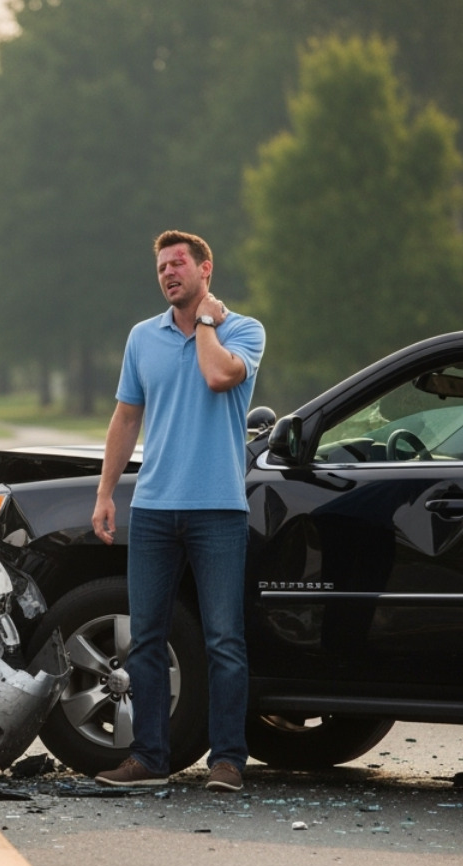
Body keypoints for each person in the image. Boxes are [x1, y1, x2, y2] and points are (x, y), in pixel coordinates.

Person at [90, 230, 265, 793]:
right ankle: (149, 758)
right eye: (162, 267)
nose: (168, 274)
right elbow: (125, 419)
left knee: (224, 640)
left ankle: (228, 761)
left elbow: (218, 376)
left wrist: (208, 324)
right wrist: (104, 493)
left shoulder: (243, 331)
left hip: (218, 509)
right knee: (145, 637)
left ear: (205, 269)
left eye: (178, 264)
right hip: (156, 508)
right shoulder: (143, 338)